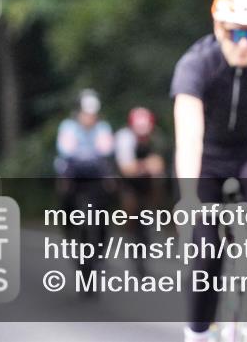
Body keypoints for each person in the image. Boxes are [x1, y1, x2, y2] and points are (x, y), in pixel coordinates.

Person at [171, 0, 247, 341]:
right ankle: (198, 332)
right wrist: (188, 198)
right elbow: (188, 135)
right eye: (235, 33)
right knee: (205, 248)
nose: (243, 44)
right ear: (218, 27)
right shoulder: (196, 64)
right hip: (209, 159)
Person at [55, 88, 115, 290]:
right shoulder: (68, 127)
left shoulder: (103, 127)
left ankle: (99, 252)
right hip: (74, 176)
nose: (89, 118)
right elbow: (66, 150)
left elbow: (106, 149)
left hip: (95, 177)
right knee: (66, 205)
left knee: (104, 209)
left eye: (92, 114)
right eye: (86, 113)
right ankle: (70, 233)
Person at [114, 106, 168, 275]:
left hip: (147, 183)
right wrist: (146, 166)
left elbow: (159, 166)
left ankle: (155, 216)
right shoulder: (124, 138)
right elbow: (126, 169)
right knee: (130, 207)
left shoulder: (156, 139)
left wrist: (151, 169)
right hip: (128, 183)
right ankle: (128, 232)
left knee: (156, 191)